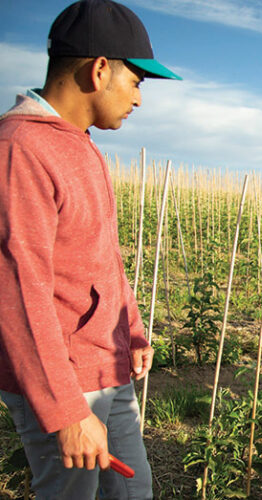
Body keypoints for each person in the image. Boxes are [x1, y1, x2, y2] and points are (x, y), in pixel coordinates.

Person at [0, 1, 180, 498]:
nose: (139, 99)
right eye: (137, 81)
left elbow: (101, 257)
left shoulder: (78, 145)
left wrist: (133, 332)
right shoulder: (22, 149)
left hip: (107, 366)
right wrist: (66, 411)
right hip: (67, 378)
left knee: (133, 491)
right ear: (100, 69)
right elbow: (17, 289)